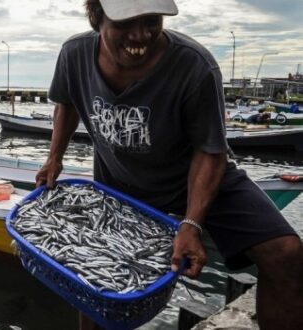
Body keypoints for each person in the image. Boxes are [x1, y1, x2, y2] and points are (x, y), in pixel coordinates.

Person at [39, 1, 303, 328]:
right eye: (125, 23)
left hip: (195, 180)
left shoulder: (194, 65)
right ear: (97, 17)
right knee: (96, 283)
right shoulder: (74, 54)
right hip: (119, 186)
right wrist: (54, 159)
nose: (140, 35)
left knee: (286, 254)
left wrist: (191, 224)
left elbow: (210, 151)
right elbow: (66, 103)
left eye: (151, 20)